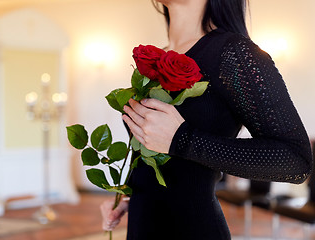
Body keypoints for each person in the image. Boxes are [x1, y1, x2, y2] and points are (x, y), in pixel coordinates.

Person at [100, 0, 313, 239]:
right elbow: (156, 158)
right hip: (142, 226)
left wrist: (182, 139)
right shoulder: (154, 63)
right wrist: (128, 195)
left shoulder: (234, 54)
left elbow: (296, 161)